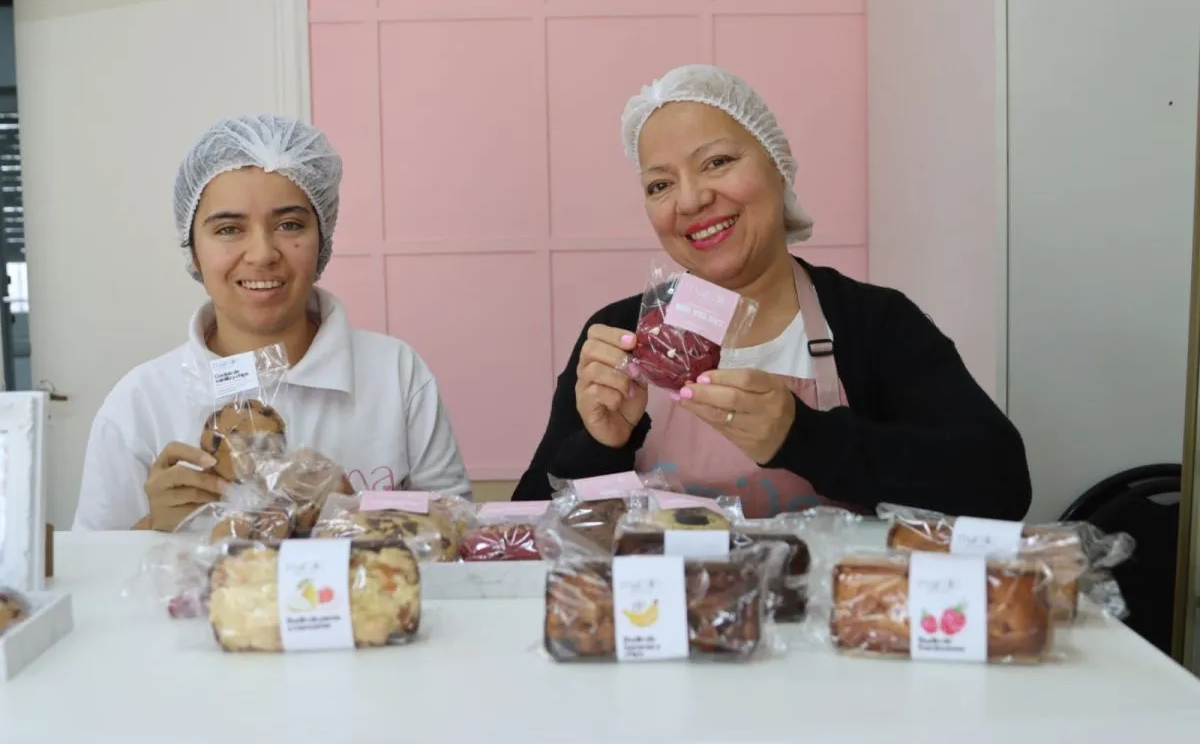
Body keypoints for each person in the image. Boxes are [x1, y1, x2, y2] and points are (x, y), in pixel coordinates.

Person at [512, 65, 1032, 520]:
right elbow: (527, 528)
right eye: (660, 184)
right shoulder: (622, 336)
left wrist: (801, 437)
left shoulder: (872, 322)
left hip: (830, 624)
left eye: (716, 162)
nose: (691, 199)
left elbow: (1000, 484)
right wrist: (603, 445)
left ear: (777, 167)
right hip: (664, 625)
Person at [73, 114, 469, 531]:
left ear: (323, 240)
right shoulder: (142, 402)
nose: (262, 254)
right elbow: (88, 568)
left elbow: (461, 536)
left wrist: (354, 515)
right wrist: (154, 527)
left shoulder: (396, 374)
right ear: (193, 251)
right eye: (228, 229)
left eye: (289, 225)